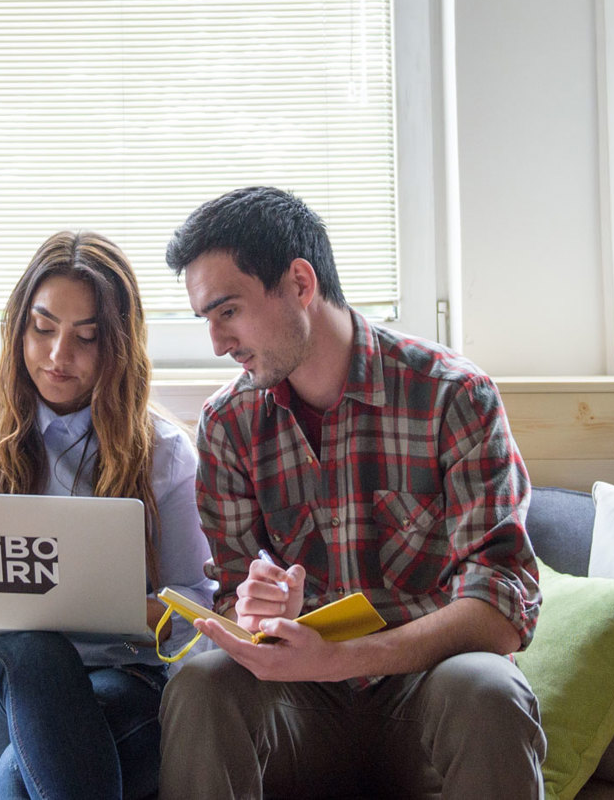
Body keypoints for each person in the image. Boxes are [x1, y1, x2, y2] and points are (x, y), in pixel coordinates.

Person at [156, 187, 546, 798]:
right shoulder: (227, 424)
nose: (217, 342)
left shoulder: (453, 396)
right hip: (299, 715)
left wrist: (338, 658)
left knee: (488, 687)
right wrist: (258, 615)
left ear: (300, 283)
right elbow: (234, 594)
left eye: (227, 311)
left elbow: (500, 611)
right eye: (206, 318)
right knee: (203, 684)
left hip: (427, 696)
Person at [0, 231, 217, 800]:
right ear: (18, 327)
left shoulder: (164, 453)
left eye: (86, 337)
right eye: (43, 328)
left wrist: (113, 605)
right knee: (38, 650)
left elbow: (196, 607)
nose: (58, 356)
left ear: (119, 346)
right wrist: (24, 606)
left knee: (27, 767)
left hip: (120, 680)